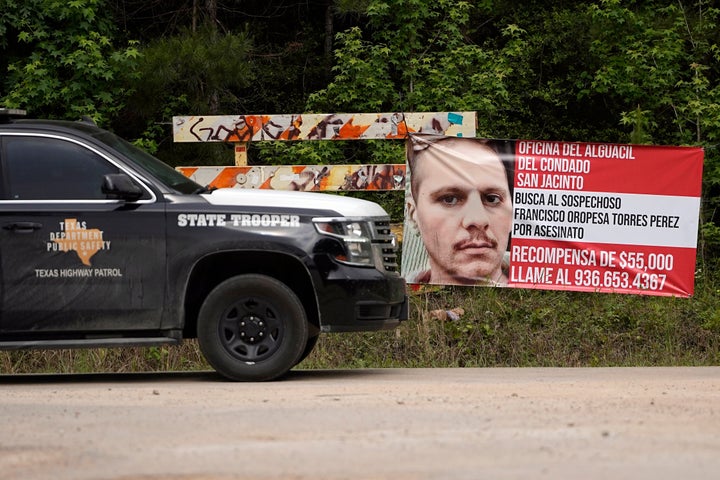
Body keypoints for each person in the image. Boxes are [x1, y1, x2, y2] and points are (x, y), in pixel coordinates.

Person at [405, 134, 514, 286]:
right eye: (450, 199)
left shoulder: (536, 290)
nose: (478, 220)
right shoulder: (407, 300)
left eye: (492, 199)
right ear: (412, 214)